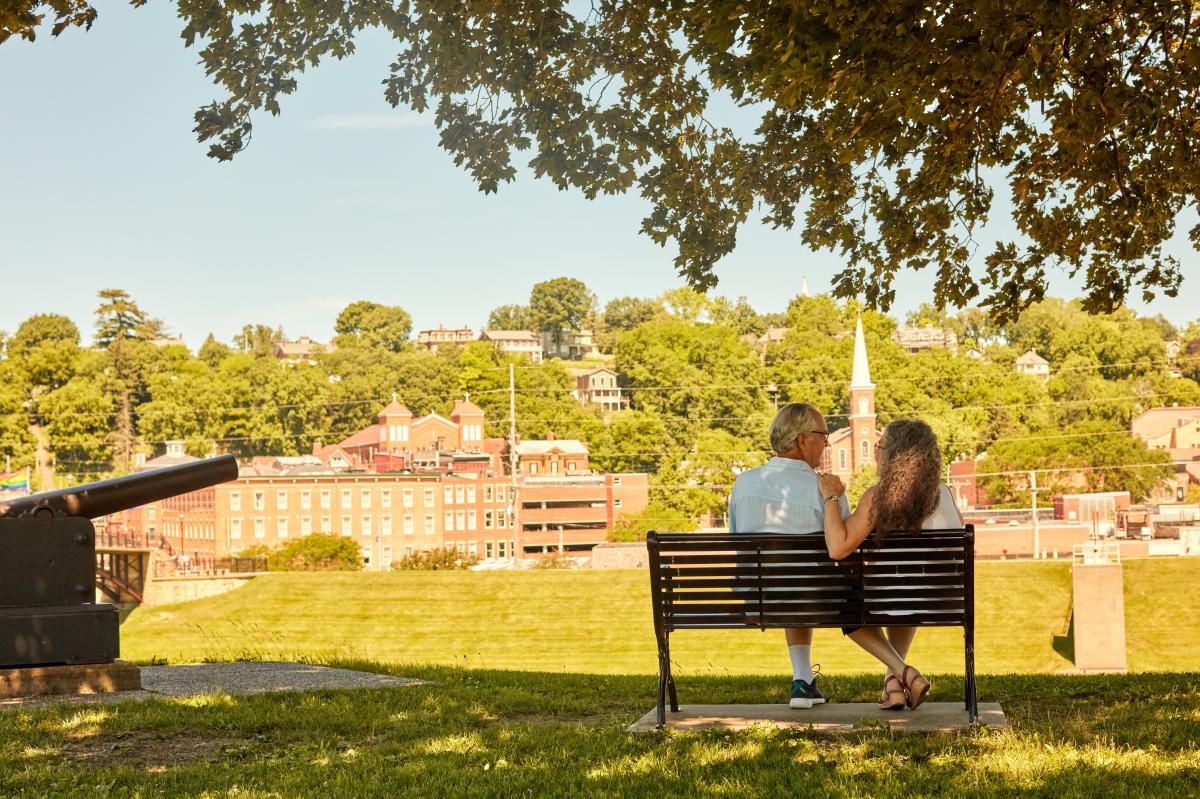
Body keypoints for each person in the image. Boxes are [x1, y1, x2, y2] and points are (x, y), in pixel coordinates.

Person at [818, 419, 963, 711]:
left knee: (844, 604)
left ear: (893, 455)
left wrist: (831, 497)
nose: (874, 454)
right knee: (907, 589)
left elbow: (837, 547)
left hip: (892, 598)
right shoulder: (944, 494)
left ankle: (905, 672)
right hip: (943, 601)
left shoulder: (878, 497)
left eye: (878, 448)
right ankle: (894, 684)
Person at [729, 402, 850, 709]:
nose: (825, 442)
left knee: (789, 580)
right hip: (815, 598)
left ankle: (803, 680)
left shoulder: (743, 483)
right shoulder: (823, 487)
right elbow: (845, 540)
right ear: (801, 440)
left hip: (755, 597)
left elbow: (735, 538)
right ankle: (897, 673)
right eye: (822, 435)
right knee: (801, 582)